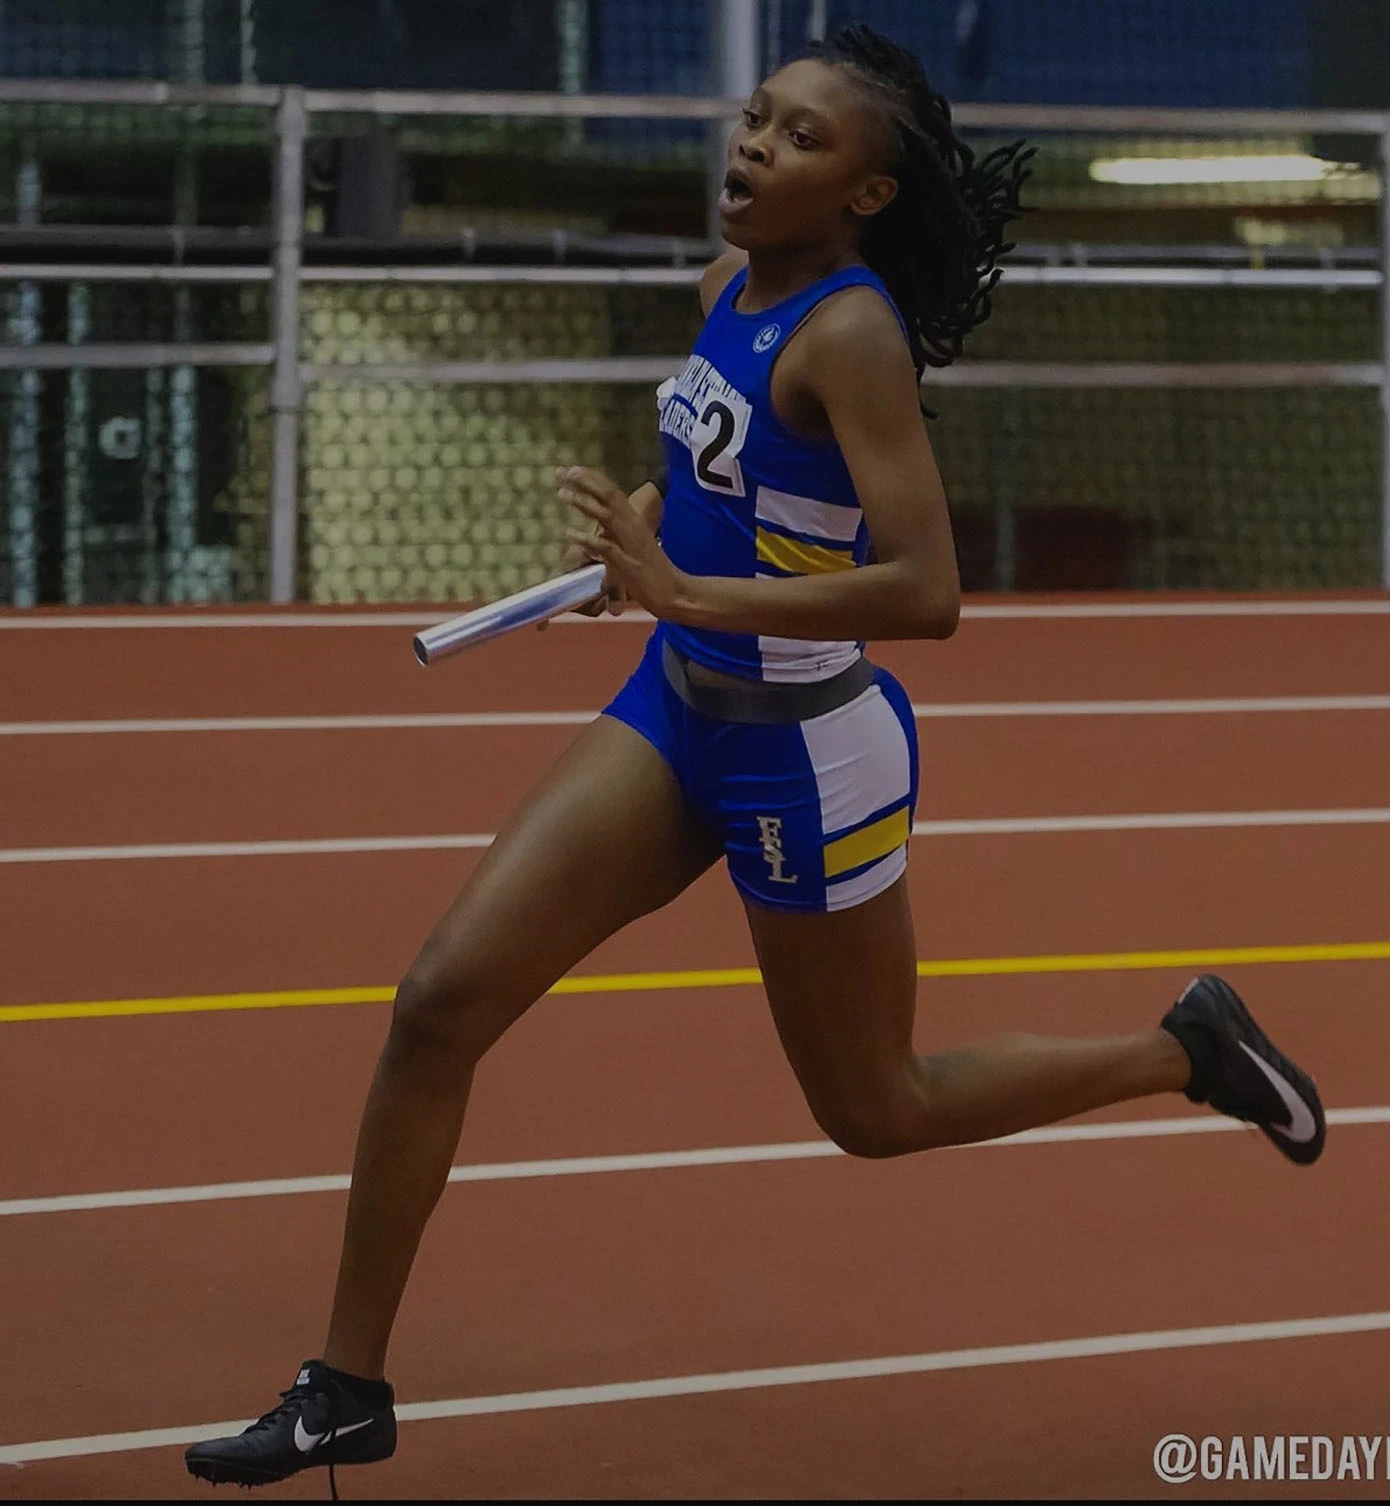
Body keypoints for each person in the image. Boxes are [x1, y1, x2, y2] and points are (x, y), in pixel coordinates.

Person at [185, 23, 1324, 1492]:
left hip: (807, 750)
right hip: (679, 707)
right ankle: (345, 1387)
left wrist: (687, 590)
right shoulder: (726, 281)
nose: (750, 148)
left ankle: (1183, 1047)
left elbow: (929, 592)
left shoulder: (853, 336)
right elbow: (725, 473)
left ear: (863, 195)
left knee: (875, 1110)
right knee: (436, 1004)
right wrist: (649, 550)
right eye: (753, 118)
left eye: (798, 140)